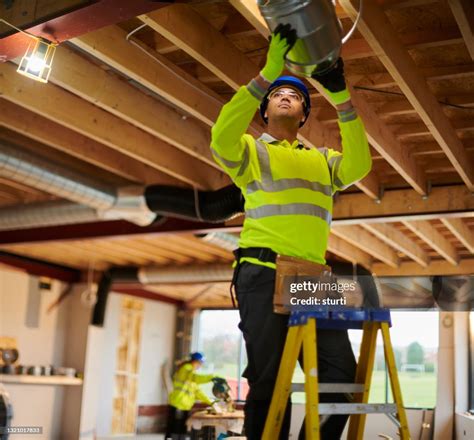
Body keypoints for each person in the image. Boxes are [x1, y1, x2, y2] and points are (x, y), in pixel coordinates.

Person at [210, 23, 372, 440]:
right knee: (268, 379)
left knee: (342, 378)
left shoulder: (322, 159)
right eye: (278, 94)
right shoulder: (252, 150)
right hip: (262, 271)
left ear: (303, 114)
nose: (286, 96)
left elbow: (359, 166)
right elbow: (220, 137)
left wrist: (341, 99)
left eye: (296, 96)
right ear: (265, 110)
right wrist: (264, 74)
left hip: (312, 277)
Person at [165, 352, 215, 440]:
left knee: (181, 429)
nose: (200, 365)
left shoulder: (190, 373)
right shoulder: (186, 369)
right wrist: (212, 378)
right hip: (178, 404)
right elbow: (196, 378)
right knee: (175, 429)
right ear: (196, 361)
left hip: (184, 406)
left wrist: (211, 403)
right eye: (200, 363)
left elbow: (198, 392)